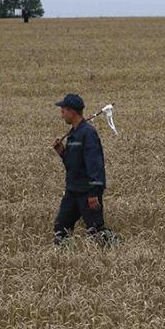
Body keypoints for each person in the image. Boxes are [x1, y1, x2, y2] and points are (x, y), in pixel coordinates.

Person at [51, 94, 118, 247]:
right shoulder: (73, 134)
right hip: (72, 191)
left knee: (96, 230)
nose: (61, 114)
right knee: (61, 229)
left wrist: (94, 192)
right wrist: (62, 152)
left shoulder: (88, 134)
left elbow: (95, 164)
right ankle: (65, 261)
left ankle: (118, 251)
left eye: (63, 111)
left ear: (72, 112)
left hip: (87, 192)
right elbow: (73, 164)